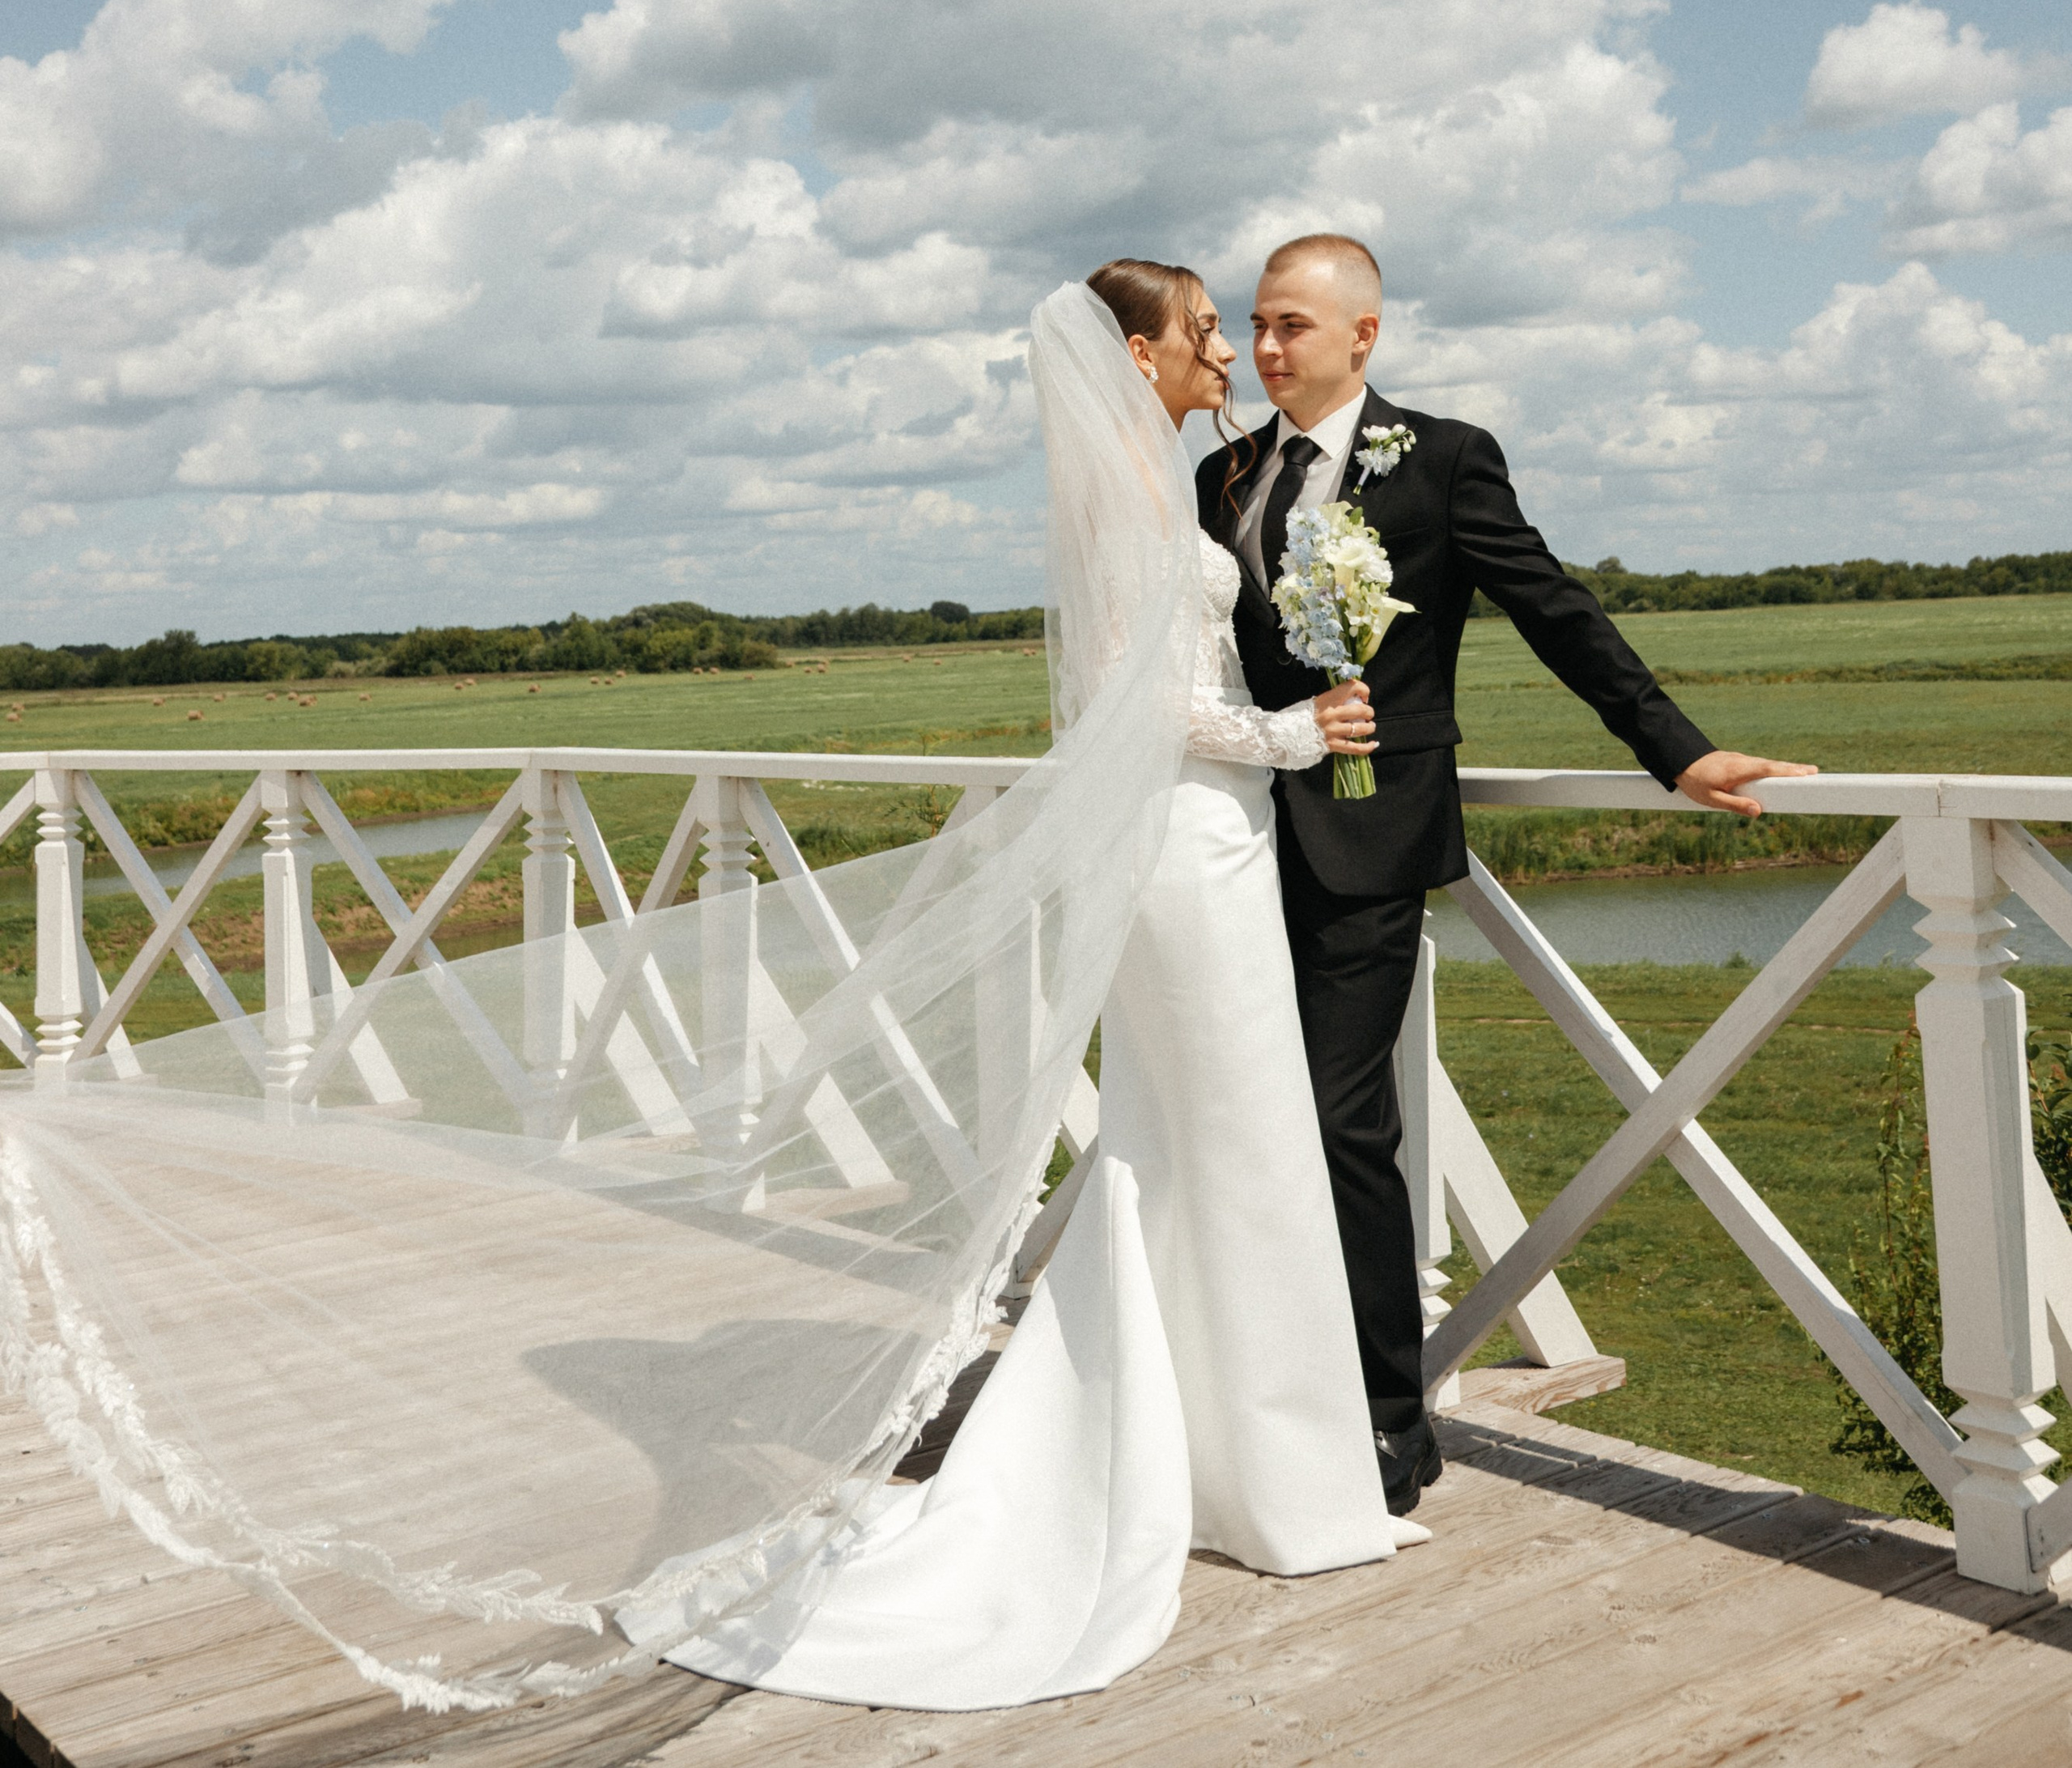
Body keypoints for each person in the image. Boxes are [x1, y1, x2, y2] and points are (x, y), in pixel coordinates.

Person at [664, 263, 1428, 1710]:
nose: (1227, 351)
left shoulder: (1170, 481)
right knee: (1243, 1152)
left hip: (1206, 845)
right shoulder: (1129, 503)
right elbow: (1142, 708)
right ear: (1137, 355)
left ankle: (1240, 1466)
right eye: (1205, 331)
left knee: (1206, 1156)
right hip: (1191, 845)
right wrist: (1299, 731)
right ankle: (1280, 1490)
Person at [1194, 232, 1817, 1514]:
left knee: (1338, 1117)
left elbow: (1554, 606)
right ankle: (1260, 1387)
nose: (1265, 350)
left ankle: (1384, 1418)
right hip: (1235, 831)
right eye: (1255, 326)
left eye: (1292, 327)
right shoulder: (1226, 473)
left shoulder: (1444, 458)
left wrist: (1676, 752)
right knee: (1244, 1119)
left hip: (1369, 838)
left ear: (1364, 335)